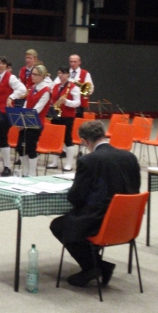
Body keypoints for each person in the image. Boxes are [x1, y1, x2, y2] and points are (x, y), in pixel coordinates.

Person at [50, 120, 140, 287]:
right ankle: (98, 266)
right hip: (129, 221)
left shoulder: (88, 160)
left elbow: (76, 197)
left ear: (85, 141)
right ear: (104, 134)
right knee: (74, 222)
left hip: (100, 221)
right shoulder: (130, 157)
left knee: (59, 225)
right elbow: (135, 187)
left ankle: (94, 267)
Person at [0, 56, 26, 176]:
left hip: (4, 112)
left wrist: (11, 97)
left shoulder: (10, 77)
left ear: (6, 66)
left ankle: (7, 167)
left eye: (3, 63)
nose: (0, 65)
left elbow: (22, 89)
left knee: (2, 138)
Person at [17, 64, 51, 177]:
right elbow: (26, 104)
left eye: (35, 74)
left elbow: (37, 109)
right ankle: (26, 171)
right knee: (20, 148)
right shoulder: (33, 88)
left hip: (35, 124)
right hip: (26, 122)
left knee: (31, 149)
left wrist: (25, 120)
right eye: (32, 74)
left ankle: (31, 174)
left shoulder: (46, 91)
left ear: (42, 76)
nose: (32, 76)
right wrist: (21, 119)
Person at [48, 66, 81, 171]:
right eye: (59, 73)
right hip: (55, 115)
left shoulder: (73, 87)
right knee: (55, 138)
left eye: (63, 73)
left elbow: (77, 103)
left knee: (67, 139)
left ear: (68, 74)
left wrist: (66, 102)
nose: (61, 75)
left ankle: (69, 164)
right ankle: (54, 162)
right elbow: (51, 100)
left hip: (67, 116)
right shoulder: (55, 86)